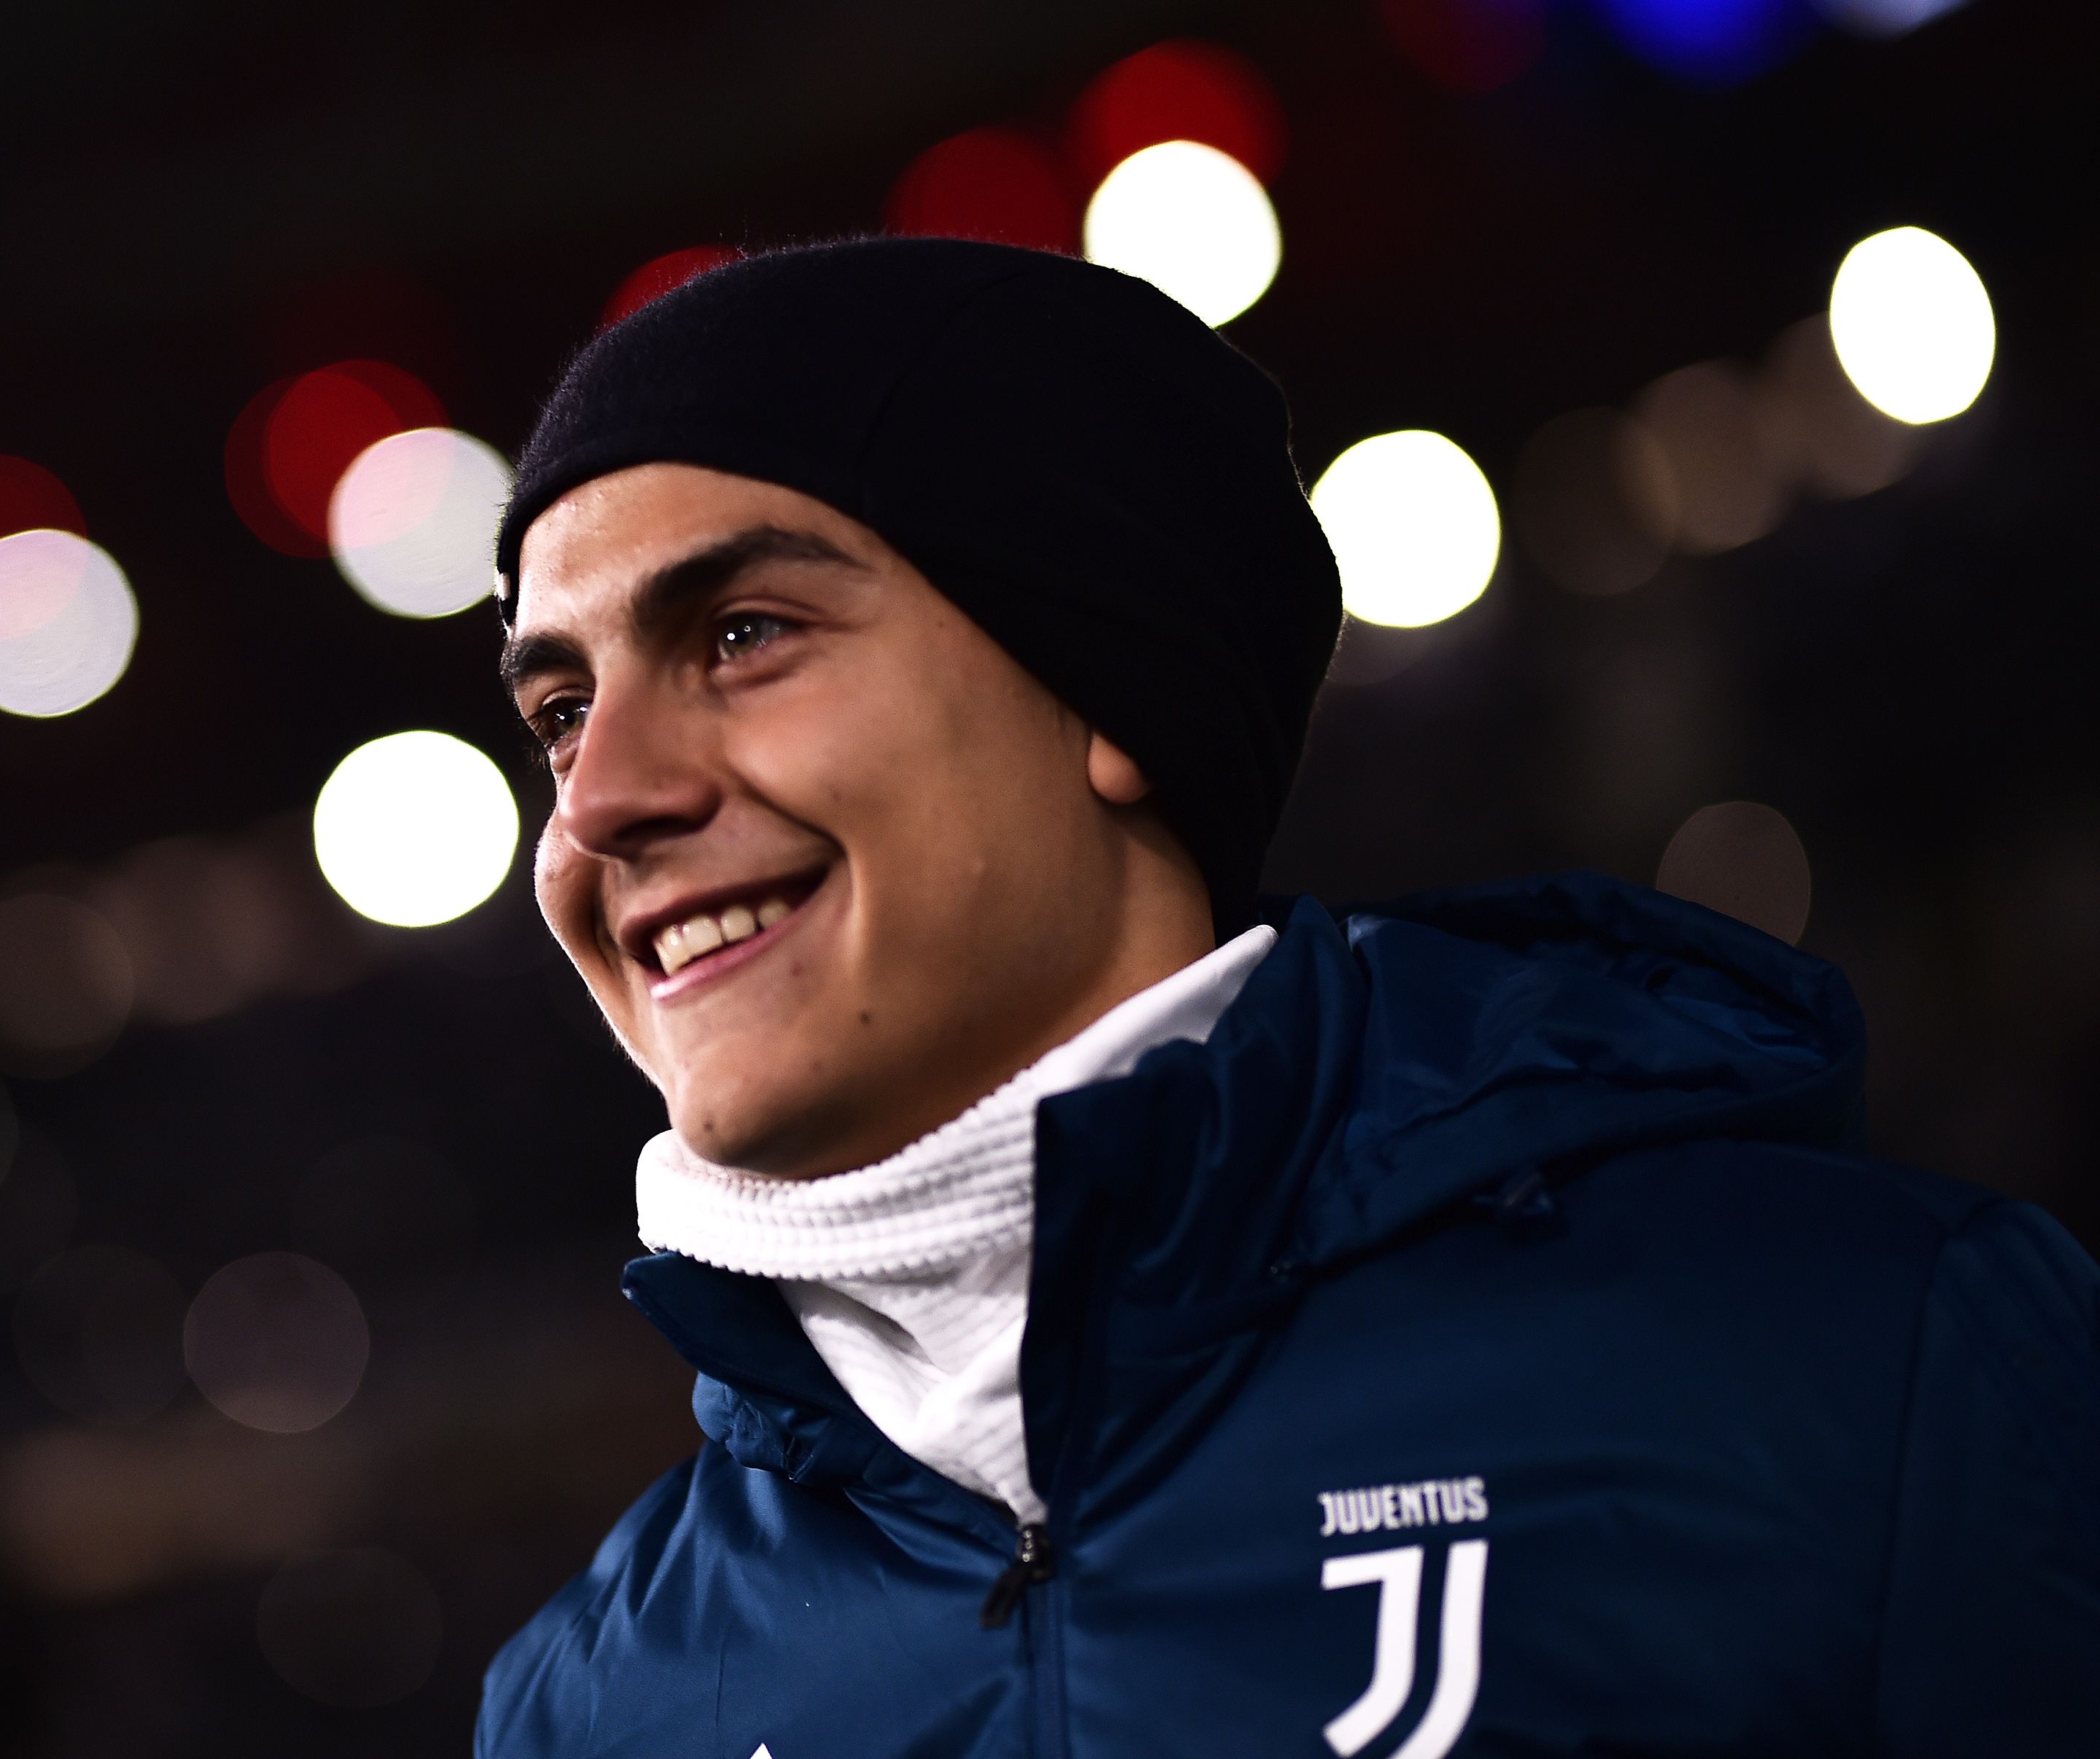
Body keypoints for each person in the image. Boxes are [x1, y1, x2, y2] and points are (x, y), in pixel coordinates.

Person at [476, 238, 2100, 1758]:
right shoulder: (591, 1697)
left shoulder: (1863, 1365)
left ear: (1107, 695)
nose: (598, 797)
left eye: (746, 633)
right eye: (559, 709)